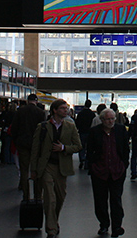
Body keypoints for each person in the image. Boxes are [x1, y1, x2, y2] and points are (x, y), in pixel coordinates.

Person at [31, 99, 82, 238]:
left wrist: (64, 148)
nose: (66, 110)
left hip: (62, 167)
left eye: (66, 108)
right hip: (46, 166)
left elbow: (78, 146)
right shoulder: (42, 127)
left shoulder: (70, 127)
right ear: (54, 110)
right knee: (49, 198)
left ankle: (54, 220)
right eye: (62, 108)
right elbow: (35, 149)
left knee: (60, 197)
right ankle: (51, 229)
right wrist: (34, 169)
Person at [87, 108, 129, 238]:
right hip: (100, 171)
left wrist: (124, 165)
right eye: (108, 119)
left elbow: (125, 149)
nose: (110, 121)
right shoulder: (95, 132)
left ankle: (117, 226)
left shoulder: (121, 130)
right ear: (102, 120)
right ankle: (104, 224)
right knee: (100, 200)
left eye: (112, 119)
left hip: (117, 171)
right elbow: (90, 150)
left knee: (116, 199)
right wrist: (93, 166)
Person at [10, 94, 47, 200]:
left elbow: (14, 128)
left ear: (27, 101)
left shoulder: (20, 112)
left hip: (22, 143)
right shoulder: (40, 113)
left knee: (24, 169)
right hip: (36, 145)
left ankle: (26, 196)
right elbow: (43, 129)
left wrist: (17, 141)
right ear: (36, 101)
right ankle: (37, 196)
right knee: (36, 169)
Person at [75, 99, 96, 170]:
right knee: (89, 147)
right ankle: (87, 162)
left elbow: (77, 123)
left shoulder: (80, 113)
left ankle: (82, 160)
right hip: (89, 133)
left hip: (82, 132)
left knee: (82, 147)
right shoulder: (92, 114)